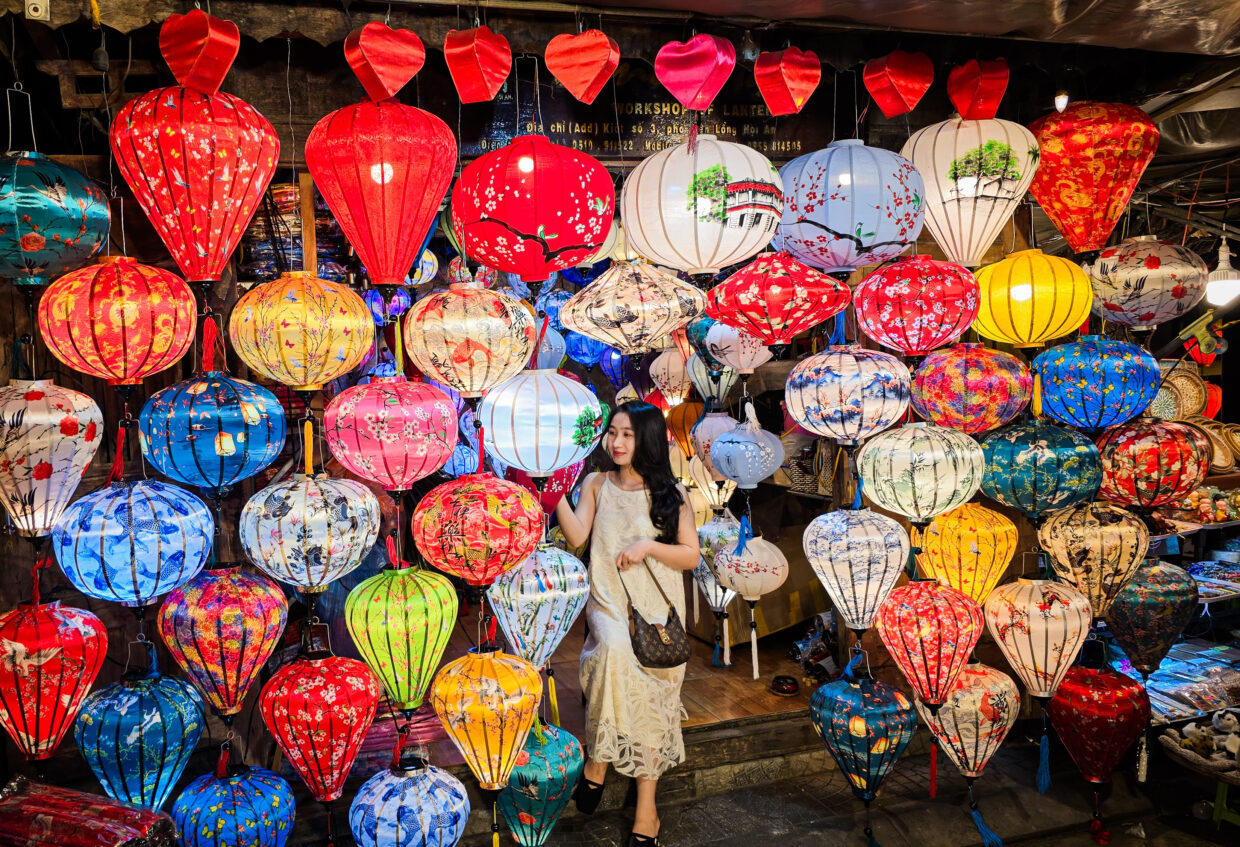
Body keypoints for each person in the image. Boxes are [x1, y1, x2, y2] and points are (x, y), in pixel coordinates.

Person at [554, 401, 700, 846]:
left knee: (652, 697)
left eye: (628, 435)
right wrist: (552, 490)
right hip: (610, 605)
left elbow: (690, 554)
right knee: (613, 655)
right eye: (612, 432)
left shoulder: (671, 495)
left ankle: (646, 810)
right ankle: (598, 759)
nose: (616, 443)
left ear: (648, 440)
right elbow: (579, 537)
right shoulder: (597, 483)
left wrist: (648, 546)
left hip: (658, 613)